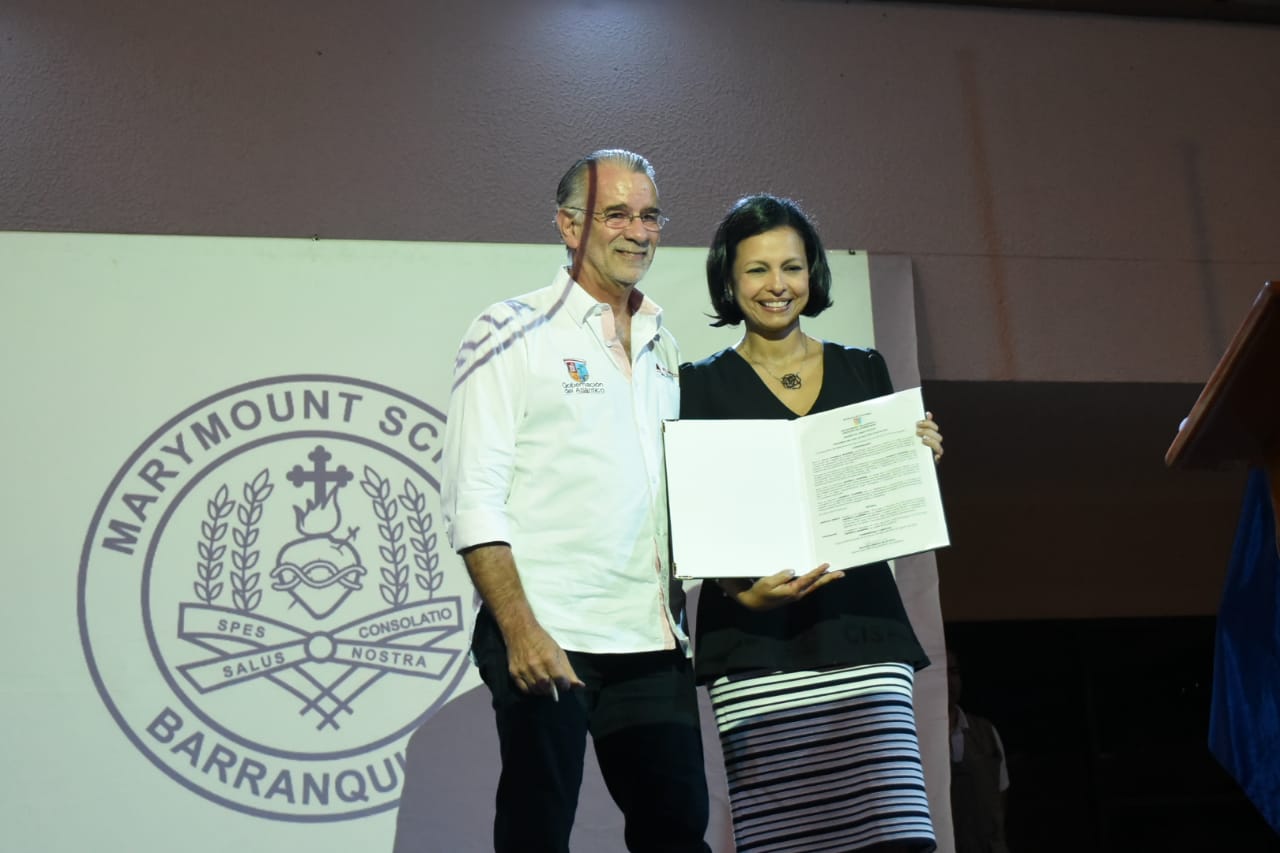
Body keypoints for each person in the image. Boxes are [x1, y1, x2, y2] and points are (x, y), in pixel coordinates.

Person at [441, 149, 711, 853]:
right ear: (568, 226)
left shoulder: (665, 342)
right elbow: (473, 496)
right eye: (615, 213)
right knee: (537, 833)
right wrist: (521, 628)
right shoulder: (510, 329)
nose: (637, 230)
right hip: (548, 632)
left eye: (649, 215)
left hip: (652, 640)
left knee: (678, 831)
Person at [679, 193, 943, 852]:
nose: (777, 286)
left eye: (791, 267)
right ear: (729, 282)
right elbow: (688, 513)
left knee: (895, 838)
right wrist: (741, 590)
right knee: (785, 841)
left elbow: (884, 499)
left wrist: (917, 456)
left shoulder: (864, 368)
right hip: (758, 647)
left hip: (865, 635)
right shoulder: (694, 386)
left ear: (813, 274)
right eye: (757, 270)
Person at [947, 648, 1012, 853]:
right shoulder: (918, 736)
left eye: (954, 672)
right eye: (942, 673)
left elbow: (999, 797)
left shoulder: (985, 732)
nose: (949, 681)